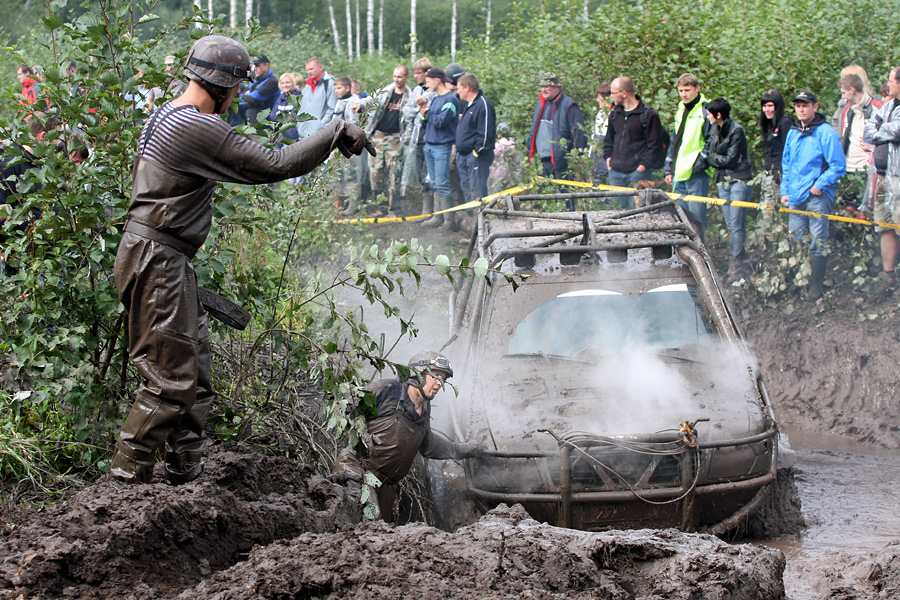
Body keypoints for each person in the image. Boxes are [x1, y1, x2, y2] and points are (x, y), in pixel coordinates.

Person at [109, 35, 375, 485]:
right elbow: (276, 164)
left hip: (161, 258)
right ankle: (125, 480)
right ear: (220, 86)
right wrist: (334, 130)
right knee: (170, 380)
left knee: (196, 377)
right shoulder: (195, 126)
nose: (237, 96)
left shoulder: (167, 115)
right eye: (235, 88)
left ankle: (185, 474)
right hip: (158, 260)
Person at [332, 351, 483, 522]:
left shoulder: (424, 408)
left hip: (386, 484)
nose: (439, 383)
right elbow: (344, 410)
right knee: (369, 524)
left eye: (443, 379)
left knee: (381, 531)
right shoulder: (387, 390)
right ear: (416, 374)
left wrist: (463, 449)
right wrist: (361, 436)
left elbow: (428, 445)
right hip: (357, 470)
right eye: (435, 376)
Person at [780, 91, 846, 301]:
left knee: (819, 240)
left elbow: (838, 166)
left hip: (817, 195)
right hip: (795, 195)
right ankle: (800, 280)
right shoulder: (793, 132)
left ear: (815, 107)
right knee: (796, 238)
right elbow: (787, 164)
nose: (801, 109)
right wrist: (785, 190)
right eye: (798, 105)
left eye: (805, 105)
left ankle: (816, 287)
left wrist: (820, 184)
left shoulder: (826, 132)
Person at [698, 97, 752, 279]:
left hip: (739, 179)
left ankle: (737, 267)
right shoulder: (715, 129)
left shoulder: (737, 131)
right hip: (723, 180)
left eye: (709, 114)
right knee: (730, 224)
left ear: (718, 115)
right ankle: (733, 265)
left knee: (736, 225)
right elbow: (711, 156)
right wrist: (718, 159)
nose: (707, 117)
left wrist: (716, 159)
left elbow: (731, 159)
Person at [863, 67, 900, 299]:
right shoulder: (888, 106)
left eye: (891, 80)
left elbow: (896, 131)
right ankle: (888, 276)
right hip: (882, 176)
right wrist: (879, 129)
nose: (888, 84)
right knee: (884, 225)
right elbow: (868, 130)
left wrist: (879, 129)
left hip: (899, 178)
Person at [603, 76, 667, 206]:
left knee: (637, 211)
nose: (611, 96)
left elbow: (655, 146)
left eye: (613, 93)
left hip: (638, 174)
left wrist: (642, 167)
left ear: (624, 93)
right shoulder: (615, 113)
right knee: (617, 212)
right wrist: (609, 160)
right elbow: (609, 139)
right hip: (615, 173)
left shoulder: (648, 115)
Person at [664, 73, 713, 234]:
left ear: (697, 89)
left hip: (696, 173)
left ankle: (700, 247)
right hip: (679, 172)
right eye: (681, 91)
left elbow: (711, 141)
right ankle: (684, 247)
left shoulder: (706, 110)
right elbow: (675, 141)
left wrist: (699, 164)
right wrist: (669, 168)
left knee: (696, 219)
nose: (684, 94)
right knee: (680, 218)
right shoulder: (680, 109)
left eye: (687, 90)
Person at [364, 65, 412, 217]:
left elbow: (411, 120)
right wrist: (360, 105)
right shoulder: (386, 92)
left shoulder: (409, 96)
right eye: (394, 76)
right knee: (375, 174)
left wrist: (406, 139)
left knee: (395, 174)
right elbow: (370, 100)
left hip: (396, 138)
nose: (396, 80)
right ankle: (381, 206)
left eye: (399, 77)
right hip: (378, 136)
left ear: (406, 78)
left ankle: (394, 209)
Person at [416, 67, 459, 228]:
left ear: (437, 80)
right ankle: (437, 217)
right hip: (429, 144)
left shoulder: (451, 100)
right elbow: (427, 122)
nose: (426, 85)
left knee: (442, 183)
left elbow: (441, 122)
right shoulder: (435, 99)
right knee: (434, 182)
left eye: (428, 81)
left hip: (442, 146)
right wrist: (424, 113)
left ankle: (449, 220)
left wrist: (427, 111)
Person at [526, 72, 588, 182]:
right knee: (542, 192)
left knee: (563, 192)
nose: (544, 89)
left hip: (561, 164)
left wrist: (576, 157)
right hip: (541, 162)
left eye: (547, 86)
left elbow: (579, 134)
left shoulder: (569, 105)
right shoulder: (540, 104)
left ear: (557, 88)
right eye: (542, 86)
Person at [835, 73, 882, 210]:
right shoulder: (847, 109)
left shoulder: (877, 107)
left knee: (866, 210)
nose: (843, 96)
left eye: (844, 92)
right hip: (849, 165)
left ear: (852, 90)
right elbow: (843, 135)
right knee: (848, 208)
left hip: (867, 166)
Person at [401, 58, 435, 219]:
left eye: (418, 73)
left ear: (427, 72)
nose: (416, 76)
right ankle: (425, 210)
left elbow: (429, 113)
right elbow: (407, 111)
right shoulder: (417, 90)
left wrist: (421, 108)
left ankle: (433, 212)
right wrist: (418, 108)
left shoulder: (434, 91)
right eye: (414, 73)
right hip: (417, 138)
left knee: (430, 176)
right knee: (421, 175)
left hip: (430, 138)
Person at [455, 73, 496, 206]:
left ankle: (482, 216)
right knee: (468, 191)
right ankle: (473, 217)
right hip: (463, 156)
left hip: (476, 157)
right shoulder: (469, 105)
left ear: (467, 88)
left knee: (478, 192)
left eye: (459, 88)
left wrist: (476, 153)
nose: (457, 92)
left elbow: (486, 133)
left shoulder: (483, 105)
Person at [758, 90, 795, 220]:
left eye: (770, 105)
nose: (767, 109)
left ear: (777, 106)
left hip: (779, 178)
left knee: (780, 217)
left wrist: (780, 177)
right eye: (764, 106)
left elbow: (790, 152)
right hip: (768, 175)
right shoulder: (770, 126)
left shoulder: (785, 123)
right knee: (768, 217)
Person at [333, 76, 365, 215]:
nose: (337, 91)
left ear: (347, 88)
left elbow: (354, 126)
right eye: (335, 88)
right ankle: (340, 204)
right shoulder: (339, 102)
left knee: (351, 175)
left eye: (339, 88)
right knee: (337, 175)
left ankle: (353, 205)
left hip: (349, 145)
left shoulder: (354, 102)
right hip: (337, 145)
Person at [295, 57, 337, 139]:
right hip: (303, 134)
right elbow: (301, 107)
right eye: (307, 70)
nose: (309, 72)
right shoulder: (307, 86)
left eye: (311, 69)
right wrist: (299, 125)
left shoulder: (329, 84)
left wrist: (321, 126)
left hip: (319, 135)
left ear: (320, 67)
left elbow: (331, 109)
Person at [591, 83, 612, 184]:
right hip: (597, 163)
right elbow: (594, 138)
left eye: (599, 97)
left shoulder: (617, 115)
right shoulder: (600, 114)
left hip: (609, 165)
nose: (597, 100)